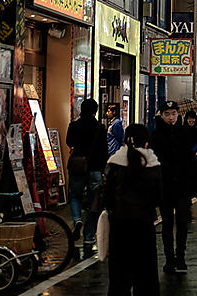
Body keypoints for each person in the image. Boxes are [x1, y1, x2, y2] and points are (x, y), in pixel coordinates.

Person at [150, 100, 197, 274]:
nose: (171, 117)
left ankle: (181, 257)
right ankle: (169, 259)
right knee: (167, 224)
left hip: (183, 186)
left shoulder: (186, 131)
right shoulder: (155, 135)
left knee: (182, 223)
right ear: (162, 116)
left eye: (174, 114)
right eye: (167, 114)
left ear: (178, 115)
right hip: (165, 187)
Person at [102, 123, 162, 295]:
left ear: (126, 140)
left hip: (119, 225)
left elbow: (107, 196)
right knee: (146, 275)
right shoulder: (153, 163)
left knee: (119, 276)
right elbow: (159, 197)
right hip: (145, 225)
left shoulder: (115, 162)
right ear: (146, 142)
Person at [66, 98, 108, 255]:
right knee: (94, 204)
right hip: (95, 169)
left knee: (75, 196)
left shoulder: (74, 125)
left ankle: (77, 220)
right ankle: (89, 237)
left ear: (81, 109)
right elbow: (104, 150)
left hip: (78, 167)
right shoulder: (100, 128)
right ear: (95, 111)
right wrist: (103, 169)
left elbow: (69, 142)